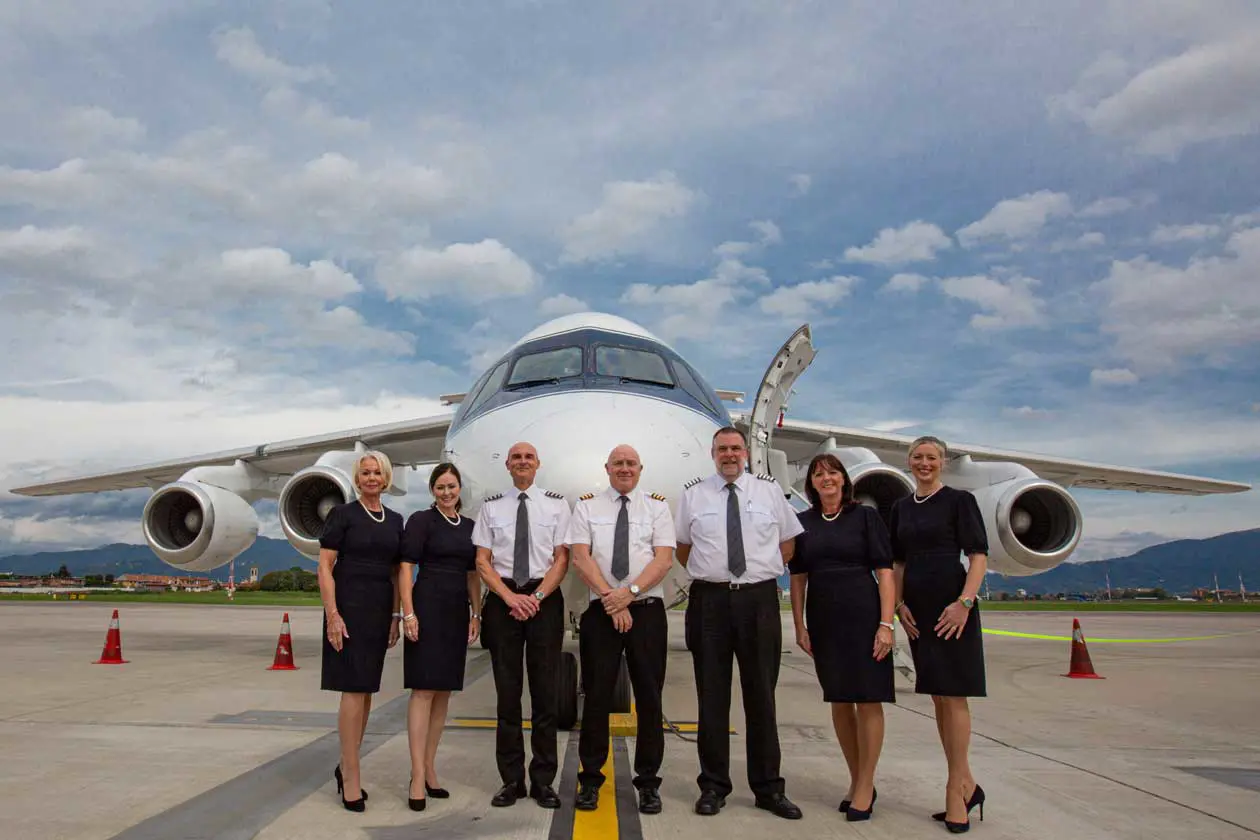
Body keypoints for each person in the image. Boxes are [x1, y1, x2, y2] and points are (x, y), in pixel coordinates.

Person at [675, 426, 805, 820]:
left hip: (758, 600)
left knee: (761, 696)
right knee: (711, 697)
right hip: (710, 600)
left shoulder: (769, 492)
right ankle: (713, 786)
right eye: (722, 449)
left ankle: (768, 787)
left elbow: (788, 542)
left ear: (745, 453)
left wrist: (759, 573)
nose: (729, 455)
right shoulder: (694, 495)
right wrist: (716, 575)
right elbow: (683, 548)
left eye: (735, 448)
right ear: (712, 454)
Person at [566, 444, 675, 815]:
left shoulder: (657, 507)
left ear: (640, 469)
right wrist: (611, 599)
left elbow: (664, 559)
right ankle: (591, 780)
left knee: (649, 697)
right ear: (607, 468)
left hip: (645, 609)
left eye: (630, 464)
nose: (624, 469)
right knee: (596, 697)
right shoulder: (587, 506)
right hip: (601, 610)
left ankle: (647, 783)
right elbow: (580, 557)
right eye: (618, 464)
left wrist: (627, 594)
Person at [788, 453, 896, 822]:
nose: (826, 479)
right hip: (824, 616)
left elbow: (885, 572)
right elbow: (798, 577)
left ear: (844, 480)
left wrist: (886, 624)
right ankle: (857, 777)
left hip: (863, 613)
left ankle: (865, 784)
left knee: (868, 699)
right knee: (839, 700)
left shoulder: (865, 517)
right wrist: (800, 625)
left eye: (832, 472)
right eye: (819, 474)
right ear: (812, 484)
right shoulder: (802, 523)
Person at [889, 436, 989, 833]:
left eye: (931, 457)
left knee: (955, 693)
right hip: (918, 607)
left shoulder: (959, 501)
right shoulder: (900, 508)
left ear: (943, 462)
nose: (924, 463)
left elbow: (978, 555)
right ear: (909, 462)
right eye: (918, 457)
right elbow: (896, 562)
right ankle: (966, 783)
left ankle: (955, 789)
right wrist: (898, 605)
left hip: (952, 604)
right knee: (937, 697)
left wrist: (964, 602)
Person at [471, 441, 571, 809]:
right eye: (517, 458)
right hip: (504, 600)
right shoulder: (492, 506)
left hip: (543, 599)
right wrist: (510, 598)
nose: (523, 462)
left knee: (545, 695)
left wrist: (537, 598)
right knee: (507, 696)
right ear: (508, 465)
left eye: (529, 457)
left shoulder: (557, 504)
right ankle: (511, 780)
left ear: (538, 463)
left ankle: (543, 781)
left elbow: (563, 559)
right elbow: (483, 561)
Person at [316, 450, 404, 813]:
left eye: (376, 473)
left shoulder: (396, 520)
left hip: (380, 610)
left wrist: (396, 616)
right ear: (357, 479)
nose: (371, 478)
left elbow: (399, 570)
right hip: (348, 609)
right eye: (365, 473)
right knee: (353, 691)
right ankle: (351, 774)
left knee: (367, 690)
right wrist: (332, 614)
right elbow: (324, 566)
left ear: (386, 479)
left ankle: (346, 764)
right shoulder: (343, 515)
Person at [398, 462, 481, 811]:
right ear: (433, 490)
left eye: (452, 486)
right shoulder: (421, 521)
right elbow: (405, 567)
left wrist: (476, 613)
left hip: (455, 611)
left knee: (444, 691)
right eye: (440, 487)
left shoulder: (471, 528)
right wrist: (408, 612)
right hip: (427, 605)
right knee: (423, 689)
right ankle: (416, 774)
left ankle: (431, 767)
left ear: (460, 489)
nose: (446, 493)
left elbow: (473, 574)